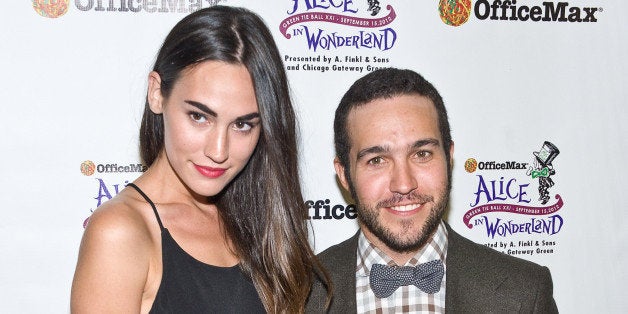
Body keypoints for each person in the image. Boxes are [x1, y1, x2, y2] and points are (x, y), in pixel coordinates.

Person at [71, 6, 328, 313]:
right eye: (199, 116)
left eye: (243, 124)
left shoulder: (259, 221)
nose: (218, 151)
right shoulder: (120, 232)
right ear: (157, 93)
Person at [306, 68, 558, 313]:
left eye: (422, 154)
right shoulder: (296, 294)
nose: (404, 184)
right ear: (344, 175)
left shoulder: (525, 291)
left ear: (449, 158)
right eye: (377, 160)